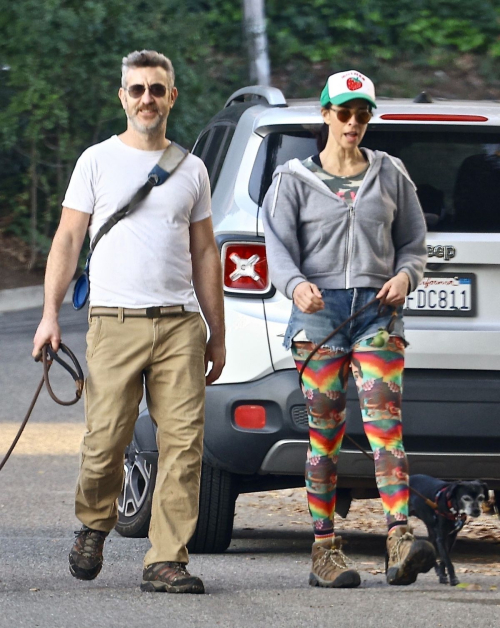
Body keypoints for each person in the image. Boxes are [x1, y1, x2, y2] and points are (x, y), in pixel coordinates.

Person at [32, 50, 225, 594]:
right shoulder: (95, 161)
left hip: (180, 325)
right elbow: (67, 240)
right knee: (104, 443)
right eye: (137, 89)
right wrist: (49, 317)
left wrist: (217, 332)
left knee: (184, 446)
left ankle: (166, 559)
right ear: (123, 96)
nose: (147, 99)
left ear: (172, 97)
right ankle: (95, 522)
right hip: (113, 323)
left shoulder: (192, 169)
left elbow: (206, 253)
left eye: (156, 89)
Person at [262, 70, 434, 588]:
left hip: (377, 312)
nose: (354, 123)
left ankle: (399, 538)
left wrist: (407, 276)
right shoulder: (293, 179)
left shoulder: (390, 173)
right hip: (318, 317)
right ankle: (324, 550)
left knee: (386, 426)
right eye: (344, 113)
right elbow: (276, 247)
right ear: (325, 115)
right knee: (326, 434)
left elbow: (414, 243)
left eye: (363, 114)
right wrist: (294, 286)